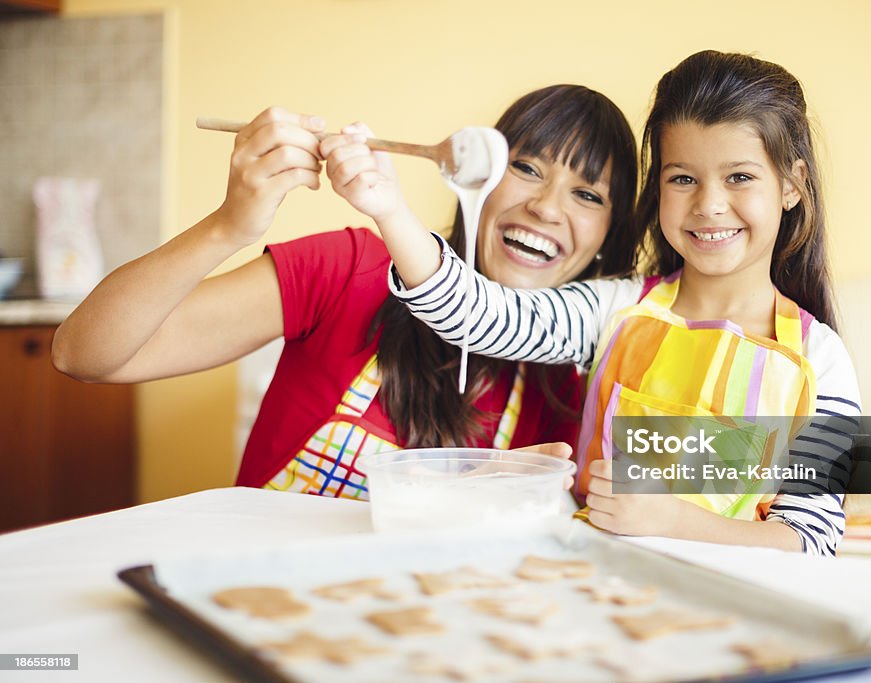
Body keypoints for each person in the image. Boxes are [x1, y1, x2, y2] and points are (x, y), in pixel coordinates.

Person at [324, 51, 859, 556]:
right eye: (683, 179)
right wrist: (388, 208)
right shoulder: (614, 310)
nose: (709, 204)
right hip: (592, 588)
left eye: (739, 177)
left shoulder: (823, 358)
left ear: (792, 185)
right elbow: (481, 316)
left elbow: (811, 540)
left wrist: (672, 520)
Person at [51, 84, 643, 498]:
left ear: (610, 237)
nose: (545, 207)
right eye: (527, 168)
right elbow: (83, 355)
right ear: (477, 177)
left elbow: (721, 472)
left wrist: (523, 500)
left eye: (588, 195)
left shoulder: (584, 376)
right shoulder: (351, 269)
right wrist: (229, 225)